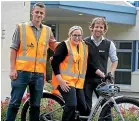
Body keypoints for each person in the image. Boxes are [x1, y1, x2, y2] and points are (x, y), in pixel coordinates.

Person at [5, 2, 59, 121]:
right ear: (32, 13)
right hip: (21, 72)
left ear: (44, 15)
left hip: (39, 74)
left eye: (41, 13)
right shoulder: (21, 27)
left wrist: (69, 42)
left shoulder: (48, 30)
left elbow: (54, 45)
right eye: (37, 12)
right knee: (14, 104)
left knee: (35, 106)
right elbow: (13, 48)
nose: (39, 15)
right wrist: (12, 68)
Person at [51, 26, 105, 121]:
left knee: (83, 109)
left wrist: (103, 75)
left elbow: (90, 64)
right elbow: (54, 63)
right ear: (70, 35)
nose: (77, 37)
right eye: (74, 35)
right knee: (71, 104)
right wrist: (61, 81)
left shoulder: (84, 46)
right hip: (65, 82)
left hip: (78, 84)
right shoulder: (64, 45)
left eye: (79, 35)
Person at [83, 17, 118, 120]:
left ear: (104, 29)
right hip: (86, 80)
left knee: (106, 107)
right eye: (96, 27)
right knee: (85, 108)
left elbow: (115, 60)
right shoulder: (84, 42)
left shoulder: (109, 44)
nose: (98, 29)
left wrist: (110, 73)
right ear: (92, 28)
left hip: (102, 81)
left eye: (101, 27)